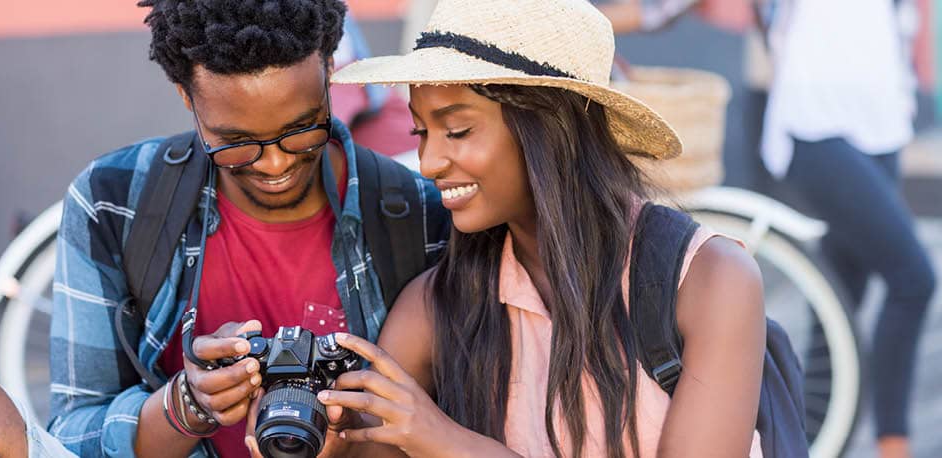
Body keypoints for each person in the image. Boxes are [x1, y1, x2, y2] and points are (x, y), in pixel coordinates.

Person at [0, 1, 451, 457]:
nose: (273, 163)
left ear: (329, 71)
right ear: (187, 96)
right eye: (236, 144)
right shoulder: (116, 201)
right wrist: (187, 405)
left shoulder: (420, 214)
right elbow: (76, 429)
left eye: (302, 130)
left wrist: (356, 430)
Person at [258, 0, 770, 456]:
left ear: (552, 129)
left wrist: (445, 440)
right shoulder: (437, 306)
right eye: (422, 131)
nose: (430, 160)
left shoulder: (710, 280)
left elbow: (431, 437)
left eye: (457, 130)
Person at [602, 1, 938, 456]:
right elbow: (665, 8)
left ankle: (807, 437)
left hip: (883, 126)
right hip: (815, 126)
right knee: (913, 277)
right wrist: (584, 27)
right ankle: (894, 444)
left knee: (841, 301)